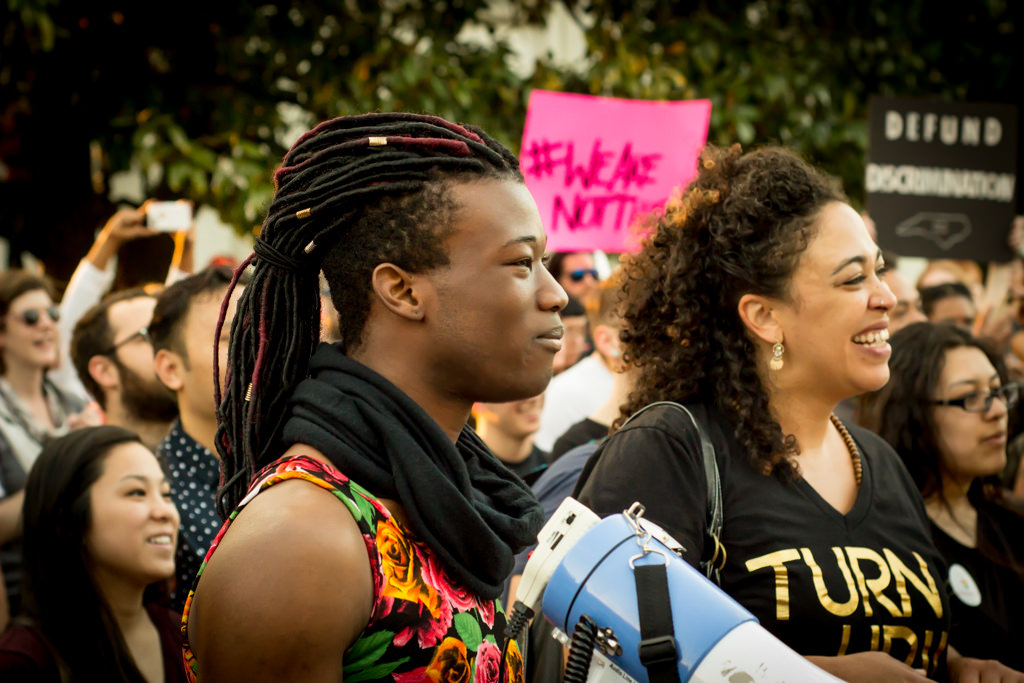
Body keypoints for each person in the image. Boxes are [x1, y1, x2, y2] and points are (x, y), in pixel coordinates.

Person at [574, 144, 1022, 682]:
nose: (885, 298)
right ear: (764, 315)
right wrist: (818, 676)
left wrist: (953, 667)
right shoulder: (670, 450)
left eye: (878, 272)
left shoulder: (881, 461)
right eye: (853, 279)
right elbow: (606, 654)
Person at [182, 112, 560, 681]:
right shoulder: (301, 543)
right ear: (402, 290)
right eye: (521, 263)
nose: (553, 295)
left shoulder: (442, 495)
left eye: (546, 263)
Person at [860, 322, 1024, 669]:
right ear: (913, 415)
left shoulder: (1011, 521)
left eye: (998, 392)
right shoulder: (886, 543)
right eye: (970, 398)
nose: (997, 412)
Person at [0, 425, 186, 682]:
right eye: (137, 492)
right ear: (68, 520)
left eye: (166, 494)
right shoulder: (24, 663)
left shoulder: (183, 636)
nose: (165, 512)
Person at [149, 266, 242, 614]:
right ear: (171, 369)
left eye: (264, 328)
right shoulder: (162, 501)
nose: (259, 346)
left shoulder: (310, 453)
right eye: (231, 336)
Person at [0, 270, 91, 618]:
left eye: (52, 314)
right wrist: (68, 463)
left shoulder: (74, 404)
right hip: (26, 609)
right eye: (30, 317)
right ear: (1, 334)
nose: (46, 325)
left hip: (86, 597)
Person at [70, 288, 178, 451]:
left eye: (170, 333)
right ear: (104, 371)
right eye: (149, 335)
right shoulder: (94, 471)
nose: (171, 346)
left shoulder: (221, 450)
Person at [474, 393, 549, 486]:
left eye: (539, 385)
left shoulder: (553, 467)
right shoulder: (460, 473)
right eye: (516, 386)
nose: (534, 398)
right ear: (478, 402)